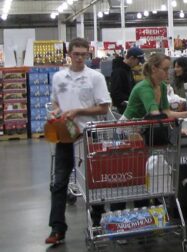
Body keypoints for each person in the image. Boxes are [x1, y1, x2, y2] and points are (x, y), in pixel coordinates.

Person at [46, 38, 113, 245]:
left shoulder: (96, 77)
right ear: (69, 54)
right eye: (76, 54)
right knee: (59, 183)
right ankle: (57, 229)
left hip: (89, 135)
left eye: (84, 54)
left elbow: (104, 107)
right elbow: (56, 101)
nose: (80, 58)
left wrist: (79, 111)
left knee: (94, 182)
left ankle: (97, 221)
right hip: (65, 135)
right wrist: (56, 112)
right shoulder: (58, 77)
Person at [122, 54, 187, 120]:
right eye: (165, 69)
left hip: (142, 127)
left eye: (168, 69)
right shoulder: (144, 87)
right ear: (153, 69)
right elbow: (154, 114)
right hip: (128, 127)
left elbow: (166, 112)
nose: (168, 72)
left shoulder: (162, 86)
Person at [109, 47, 144, 113]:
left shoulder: (128, 70)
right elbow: (116, 94)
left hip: (129, 106)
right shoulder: (118, 72)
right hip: (123, 110)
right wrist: (133, 99)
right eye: (138, 61)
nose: (139, 64)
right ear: (131, 58)